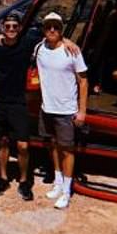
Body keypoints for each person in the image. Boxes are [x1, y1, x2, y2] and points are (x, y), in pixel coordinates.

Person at [0, 11, 81, 201]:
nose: (11, 30)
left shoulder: (27, 44)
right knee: (2, 142)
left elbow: (50, 34)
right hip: (0, 102)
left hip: (19, 103)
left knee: (23, 146)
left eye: (14, 27)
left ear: (20, 28)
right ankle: (2, 179)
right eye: (8, 26)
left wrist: (68, 41)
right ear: (3, 28)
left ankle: (24, 181)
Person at [36, 12, 88, 209]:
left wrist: (81, 111)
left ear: (61, 29)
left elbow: (83, 81)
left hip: (66, 110)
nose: (52, 30)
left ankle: (67, 190)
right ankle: (58, 181)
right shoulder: (39, 48)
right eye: (48, 26)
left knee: (67, 150)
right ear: (44, 29)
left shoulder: (72, 51)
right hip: (47, 108)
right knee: (52, 145)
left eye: (56, 27)